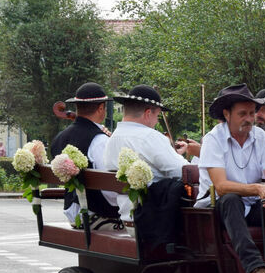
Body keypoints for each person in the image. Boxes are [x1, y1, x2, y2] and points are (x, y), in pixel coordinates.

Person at [196, 84, 265, 273]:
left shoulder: (262, 137)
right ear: (227, 114)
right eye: (242, 114)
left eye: (252, 113)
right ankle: (255, 270)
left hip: (251, 204)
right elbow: (221, 187)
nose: (249, 118)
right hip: (214, 210)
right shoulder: (213, 139)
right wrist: (258, 189)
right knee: (231, 200)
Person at [102, 85, 199, 223]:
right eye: (157, 116)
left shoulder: (112, 139)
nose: (157, 121)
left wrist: (172, 153)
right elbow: (183, 172)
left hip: (125, 215)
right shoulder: (149, 136)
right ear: (148, 113)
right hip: (154, 217)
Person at [50, 82, 120, 224]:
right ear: (101, 108)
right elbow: (111, 191)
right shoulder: (99, 140)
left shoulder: (59, 138)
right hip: (97, 216)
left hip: (72, 211)